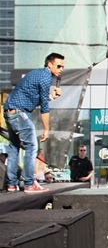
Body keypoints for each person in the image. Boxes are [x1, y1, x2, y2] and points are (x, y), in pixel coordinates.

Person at [3, 52, 64, 193]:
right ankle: (30, 183)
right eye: (59, 66)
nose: (61, 69)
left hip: (10, 110)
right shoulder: (45, 78)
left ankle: (12, 184)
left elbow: (33, 99)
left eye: (62, 67)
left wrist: (51, 96)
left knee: (14, 147)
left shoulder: (38, 74)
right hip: (19, 112)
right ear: (49, 64)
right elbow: (44, 108)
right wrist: (47, 129)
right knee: (31, 146)